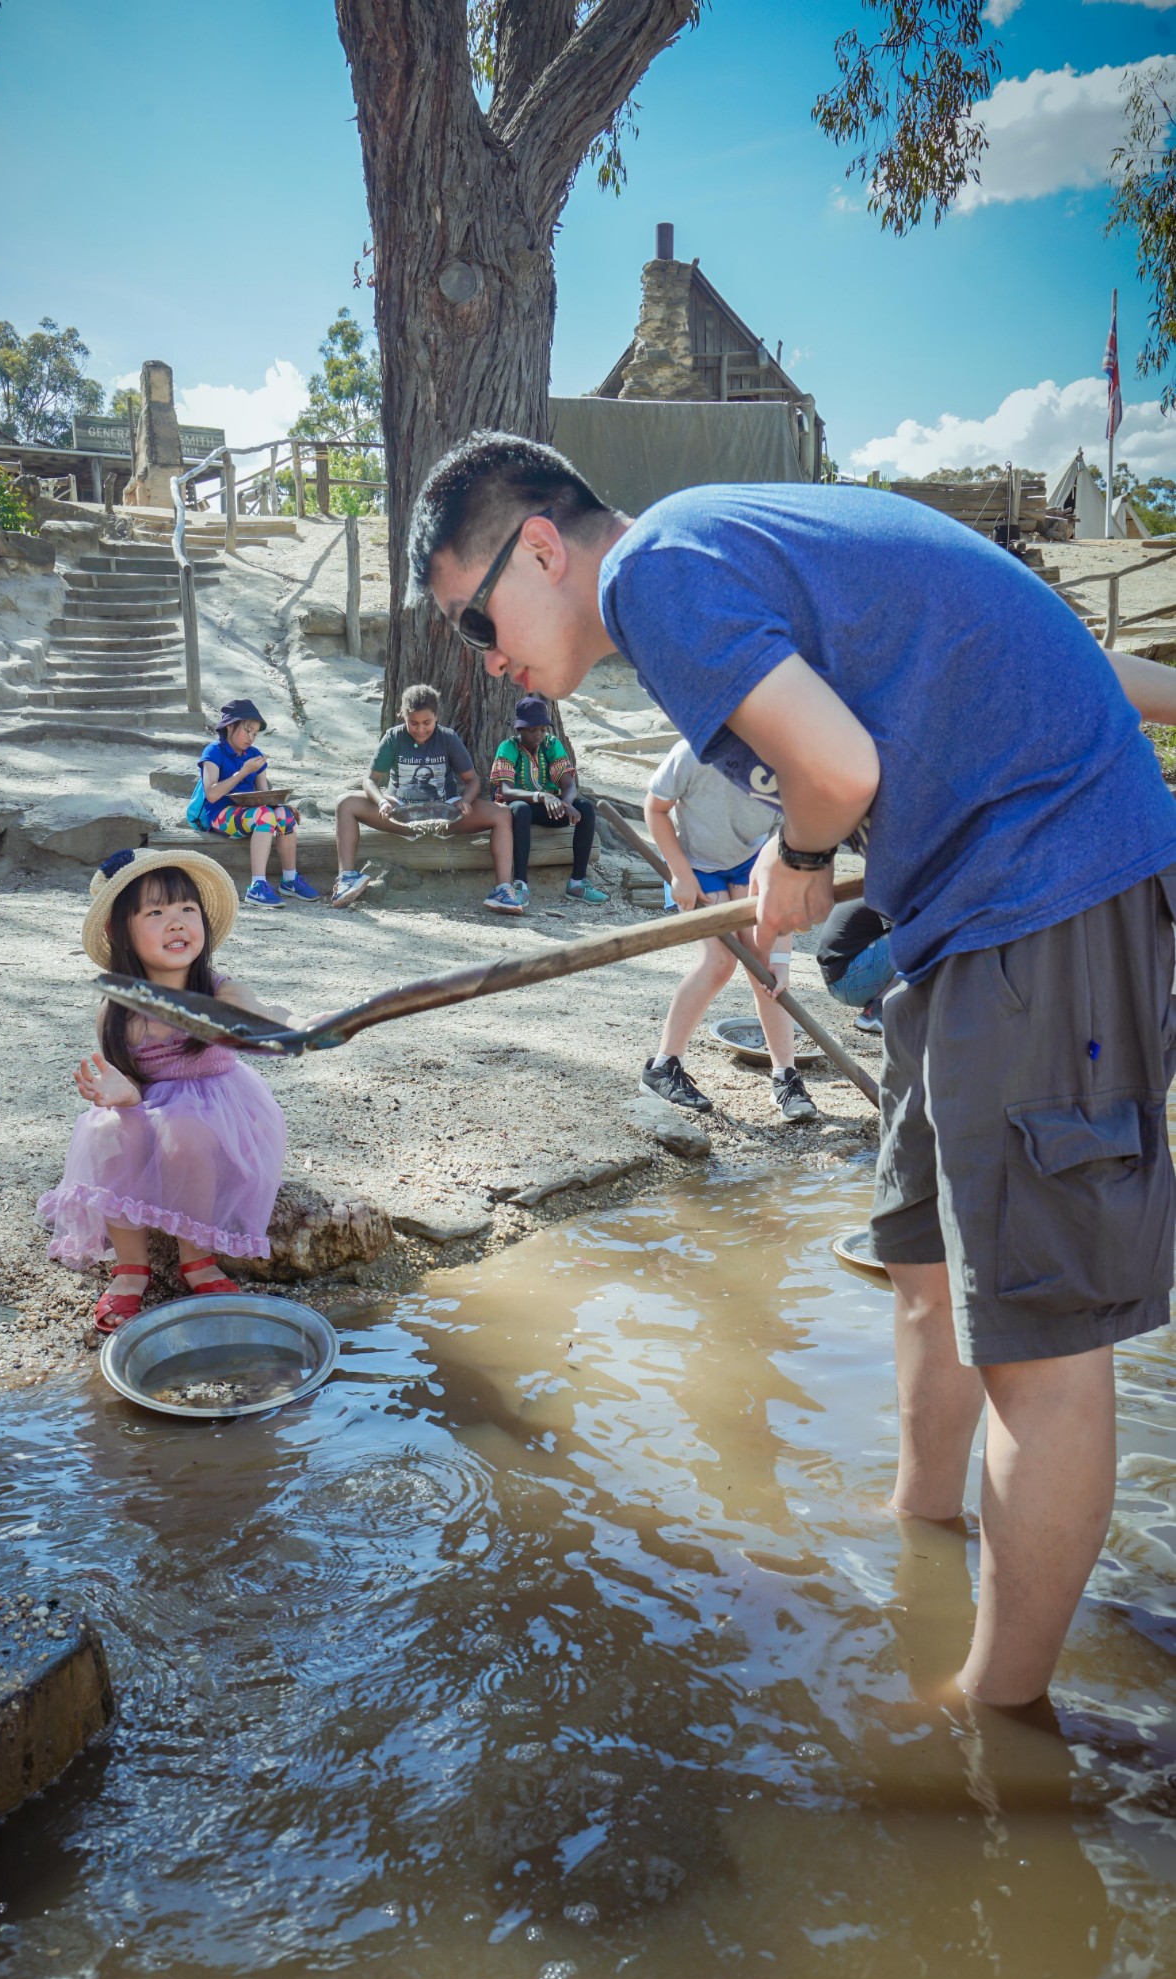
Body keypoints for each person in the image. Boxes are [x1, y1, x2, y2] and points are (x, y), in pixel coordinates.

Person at [407, 428, 1176, 1710]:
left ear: (539, 545)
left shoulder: (653, 572)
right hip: (967, 918)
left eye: (475, 619)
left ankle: (996, 1717)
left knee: (1041, 1351)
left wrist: (803, 858)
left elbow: (837, 770)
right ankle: (923, 1530)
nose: (487, 661)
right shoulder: (719, 545)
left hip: (1045, 897)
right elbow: (1047, 655)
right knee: (922, 1262)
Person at [38, 848, 290, 1334]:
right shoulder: (119, 1011)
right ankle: (131, 1263)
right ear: (120, 932)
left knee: (186, 1138)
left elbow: (251, 1011)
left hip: (215, 1106)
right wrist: (119, 1093)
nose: (176, 923)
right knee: (110, 1132)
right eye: (155, 913)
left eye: (186, 910)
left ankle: (196, 1256)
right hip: (146, 1105)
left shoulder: (217, 990)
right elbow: (129, 1082)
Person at [642, 739, 816, 1121]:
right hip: (697, 866)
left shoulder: (782, 765)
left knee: (766, 970)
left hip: (755, 862)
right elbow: (655, 809)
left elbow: (783, 879)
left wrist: (782, 961)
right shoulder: (692, 752)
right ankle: (663, 1066)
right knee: (719, 963)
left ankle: (785, 1078)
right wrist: (680, 873)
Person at [331, 682, 520, 913]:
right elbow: (369, 780)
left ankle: (503, 890)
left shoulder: (448, 738)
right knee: (345, 803)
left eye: (427, 723)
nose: (420, 730)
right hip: (400, 814)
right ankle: (347, 878)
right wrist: (381, 800)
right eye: (414, 723)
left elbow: (473, 781)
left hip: (447, 815)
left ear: (437, 717)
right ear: (404, 717)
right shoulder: (393, 738)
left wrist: (465, 801)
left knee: (502, 813)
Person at [195, 697, 319, 909]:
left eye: (255, 733)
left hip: (247, 813)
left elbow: (263, 794)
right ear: (230, 726)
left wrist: (280, 805)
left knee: (284, 816)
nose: (251, 738)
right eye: (247, 730)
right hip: (218, 814)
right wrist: (243, 772)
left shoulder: (255, 755)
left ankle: (289, 880)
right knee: (265, 815)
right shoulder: (214, 751)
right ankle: (257, 886)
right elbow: (212, 794)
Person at [489, 693, 607, 907]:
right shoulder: (508, 747)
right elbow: (506, 791)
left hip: (549, 807)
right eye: (532, 730)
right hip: (517, 809)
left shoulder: (551, 745)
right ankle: (520, 884)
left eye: (542, 729)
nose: (539, 735)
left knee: (586, 808)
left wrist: (567, 804)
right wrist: (541, 795)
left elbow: (569, 785)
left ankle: (577, 882)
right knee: (521, 809)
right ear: (520, 729)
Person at [816, 898, 897, 1035]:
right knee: (926, 934)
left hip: (841, 978)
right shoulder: (897, 886)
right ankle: (879, 1010)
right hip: (849, 978)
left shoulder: (878, 881)